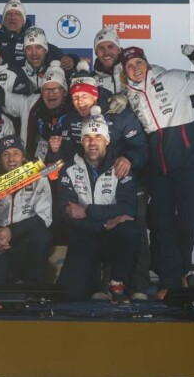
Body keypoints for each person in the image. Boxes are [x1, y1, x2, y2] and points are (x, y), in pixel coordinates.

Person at [119, 44, 194, 300]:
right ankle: (170, 282)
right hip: (158, 169)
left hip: (188, 163)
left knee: (187, 222)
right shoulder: (128, 94)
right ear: (124, 71)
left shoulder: (171, 78)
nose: (135, 68)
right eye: (129, 66)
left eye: (139, 63)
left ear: (146, 63)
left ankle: (179, 274)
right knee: (161, 225)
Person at [48, 61, 151, 300]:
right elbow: (64, 162)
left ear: (95, 95)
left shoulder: (119, 111)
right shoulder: (69, 120)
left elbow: (142, 149)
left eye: (85, 96)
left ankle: (135, 286)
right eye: (75, 97)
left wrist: (128, 159)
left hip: (122, 177)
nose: (80, 102)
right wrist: (54, 154)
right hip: (89, 191)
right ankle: (100, 286)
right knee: (71, 291)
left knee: (130, 230)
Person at [56, 107, 139, 303]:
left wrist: (88, 211)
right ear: (81, 141)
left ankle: (117, 283)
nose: (92, 143)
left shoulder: (121, 166)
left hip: (114, 234)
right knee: (70, 295)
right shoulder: (69, 168)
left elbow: (128, 209)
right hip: (85, 233)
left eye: (98, 137)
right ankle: (93, 281)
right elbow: (68, 213)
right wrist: (103, 223)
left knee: (129, 230)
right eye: (87, 137)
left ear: (107, 140)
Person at [0, 135, 53, 285]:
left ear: (23, 156)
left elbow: (45, 218)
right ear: (0, 158)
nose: (11, 159)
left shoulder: (39, 179)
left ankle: (32, 286)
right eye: (6, 154)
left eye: (16, 153)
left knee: (42, 237)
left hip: (26, 239)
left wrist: (12, 231)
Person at [1, 60, 71, 161]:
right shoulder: (32, 103)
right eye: (46, 90)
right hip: (32, 166)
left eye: (56, 89)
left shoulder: (74, 109)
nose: (51, 94)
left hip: (66, 167)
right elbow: (4, 98)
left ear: (64, 92)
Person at [0, 0, 75, 71]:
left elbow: (60, 56)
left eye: (17, 14)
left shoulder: (33, 37)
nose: (12, 17)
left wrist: (72, 59)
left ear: (23, 20)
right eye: (8, 14)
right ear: (3, 20)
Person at [91, 26, 126, 94]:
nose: (106, 52)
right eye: (101, 48)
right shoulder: (90, 80)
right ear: (96, 53)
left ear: (119, 49)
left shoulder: (132, 73)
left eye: (110, 46)